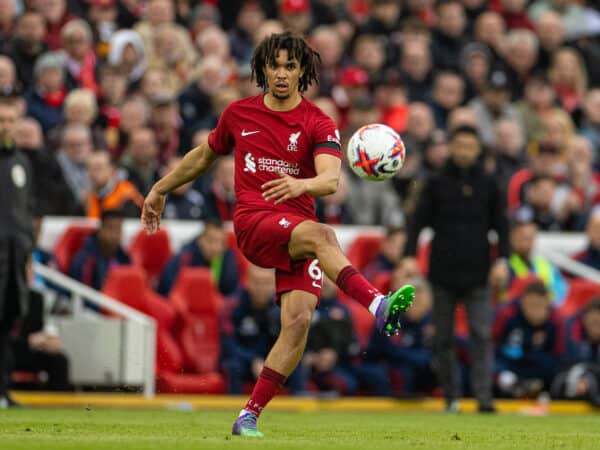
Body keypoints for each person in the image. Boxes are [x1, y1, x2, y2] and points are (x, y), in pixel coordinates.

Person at [141, 32, 415, 437]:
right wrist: (159, 188)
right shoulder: (239, 114)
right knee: (324, 236)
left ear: (303, 70)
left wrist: (299, 186)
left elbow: (329, 180)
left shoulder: (318, 122)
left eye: (291, 66)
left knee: (299, 321)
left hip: (296, 229)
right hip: (255, 222)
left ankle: (248, 415)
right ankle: (377, 306)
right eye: (275, 65)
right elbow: (202, 156)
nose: (282, 74)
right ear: (262, 69)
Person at [403, 124, 509, 413]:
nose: (463, 151)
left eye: (469, 146)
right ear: (451, 147)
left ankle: (484, 398)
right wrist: (409, 254)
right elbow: (416, 222)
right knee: (443, 337)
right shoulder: (435, 183)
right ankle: (451, 397)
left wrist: (503, 261)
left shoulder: (490, 184)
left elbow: (502, 227)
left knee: (481, 334)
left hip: (479, 272)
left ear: (477, 149)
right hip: (443, 271)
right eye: (459, 145)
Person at [221, 264, 305, 395]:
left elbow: (290, 344)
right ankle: (236, 411)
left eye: (266, 283)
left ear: (274, 285)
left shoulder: (282, 310)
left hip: (271, 361)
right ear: (247, 282)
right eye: (257, 282)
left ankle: (298, 407)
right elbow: (228, 345)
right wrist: (252, 360)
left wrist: (270, 362)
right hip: (243, 361)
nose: (261, 288)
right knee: (233, 366)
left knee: (296, 364)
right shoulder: (232, 307)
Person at [0, 95, 34, 408]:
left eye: (10, 121)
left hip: (14, 257)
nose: (5, 126)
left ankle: (3, 390)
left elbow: (27, 213)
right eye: (1, 120)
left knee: (9, 320)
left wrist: (28, 258)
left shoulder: (22, 163)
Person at [493, 280, 564, 397]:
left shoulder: (556, 320)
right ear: (523, 301)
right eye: (531, 305)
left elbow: (559, 354)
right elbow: (491, 345)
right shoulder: (507, 314)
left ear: (547, 303)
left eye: (539, 305)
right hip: (509, 363)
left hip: (538, 365)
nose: (534, 310)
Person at [157, 218, 239, 297]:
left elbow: (233, 292)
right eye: (210, 241)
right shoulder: (185, 256)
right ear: (200, 239)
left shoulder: (227, 258)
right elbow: (167, 287)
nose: (214, 247)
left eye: (220, 242)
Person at [552, 298, 600, 406]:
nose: (596, 328)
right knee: (585, 379)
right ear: (585, 318)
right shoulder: (570, 331)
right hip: (568, 378)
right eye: (594, 322)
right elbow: (566, 362)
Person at [69, 209, 131, 291]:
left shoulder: (125, 259)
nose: (115, 235)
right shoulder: (85, 259)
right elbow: (82, 294)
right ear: (101, 230)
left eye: (118, 229)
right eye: (111, 229)